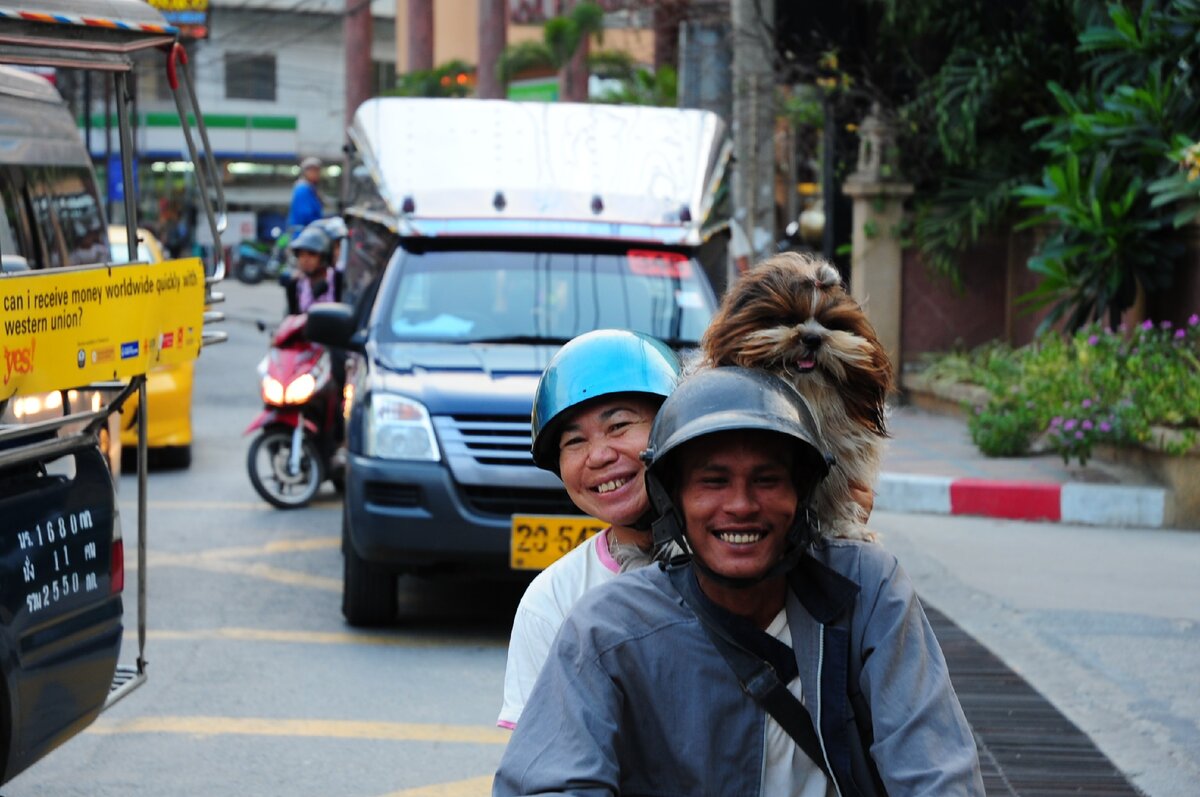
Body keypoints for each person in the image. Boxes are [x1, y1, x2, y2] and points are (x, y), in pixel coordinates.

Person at [494, 366, 984, 796]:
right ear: (675, 499)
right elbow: (552, 781)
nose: (742, 505)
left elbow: (934, 767)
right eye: (713, 481)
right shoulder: (605, 628)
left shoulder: (865, 588)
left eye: (767, 480)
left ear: (802, 494)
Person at [497, 329, 682, 730]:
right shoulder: (551, 602)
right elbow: (541, 768)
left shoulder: (744, 557)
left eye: (619, 426)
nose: (598, 455)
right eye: (574, 442)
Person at [281, 223, 342, 316]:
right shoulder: (295, 285)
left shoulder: (338, 279)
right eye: (301, 255)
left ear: (323, 257)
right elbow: (292, 317)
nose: (305, 260)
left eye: (312, 254)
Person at [286, 156, 324, 233]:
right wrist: (324, 223)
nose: (317, 174)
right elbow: (305, 214)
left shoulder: (311, 189)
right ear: (306, 172)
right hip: (302, 235)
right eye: (314, 171)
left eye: (318, 171)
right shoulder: (302, 189)